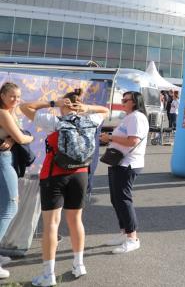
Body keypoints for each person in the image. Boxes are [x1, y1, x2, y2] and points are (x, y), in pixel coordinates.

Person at [20, 89, 108, 286]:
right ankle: (79, 264)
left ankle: (48, 274)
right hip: (80, 174)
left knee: (51, 224)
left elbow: (24, 107)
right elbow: (106, 111)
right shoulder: (91, 120)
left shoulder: (54, 122)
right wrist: (87, 108)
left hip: (54, 175)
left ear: (64, 104)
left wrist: (53, 103)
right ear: (79, 105)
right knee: (76, 221)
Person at [100, 91, 149, 254]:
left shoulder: (136, 117)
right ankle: (124, 232)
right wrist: (109, 138)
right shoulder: (129, 117)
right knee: (116, 199)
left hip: (128, 164)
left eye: (125, 100)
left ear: (134, 101)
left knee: (123, 200)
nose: (122, 102)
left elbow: (132, 141)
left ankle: (132, 238)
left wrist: (110, 138)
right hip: (119, 162)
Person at [0, 82, 34, 280]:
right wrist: (28, 137)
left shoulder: (9, 112)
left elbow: (15, 136)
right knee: (10, 207)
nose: (16, 100)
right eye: (12, 96)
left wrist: (13, 138)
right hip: (3, 161)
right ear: (2, 96)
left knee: (5, 206)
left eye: (18, 96)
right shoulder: (3, 113)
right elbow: (22, 138)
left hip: (7, 160)